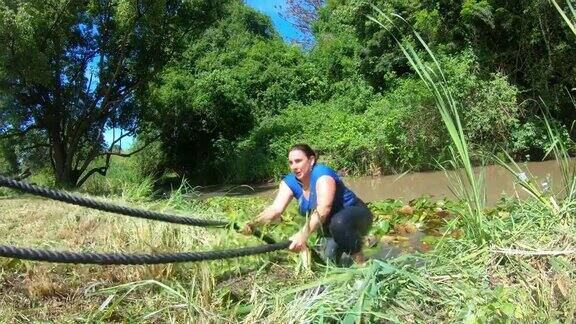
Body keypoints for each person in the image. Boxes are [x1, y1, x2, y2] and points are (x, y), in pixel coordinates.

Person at [241, 144, 373, 266]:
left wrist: (302, 235)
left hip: (355, 217)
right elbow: (275, 209)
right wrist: (252, 224)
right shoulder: (290, 182)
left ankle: (362, 264)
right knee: (327, 263)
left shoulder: (322, 174)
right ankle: (347, 248)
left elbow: (323, 209)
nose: (294, 166)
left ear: (311, 160)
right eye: (291, 162)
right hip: (329, 228)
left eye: (298, 161)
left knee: (339, 223)